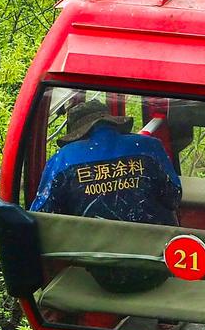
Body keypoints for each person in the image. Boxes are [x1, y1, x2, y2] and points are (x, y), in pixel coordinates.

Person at [30, 91, 182, 293]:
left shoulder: (62, 161)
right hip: (159, 265)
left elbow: (42, 218)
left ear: (78, 134)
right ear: (113, 123)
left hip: (103, 273)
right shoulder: (149, 146)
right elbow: (173, 197)